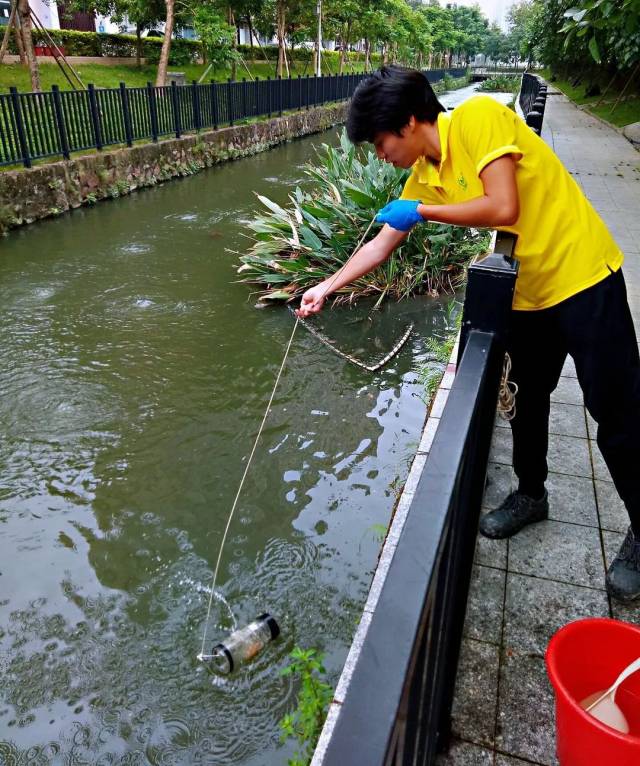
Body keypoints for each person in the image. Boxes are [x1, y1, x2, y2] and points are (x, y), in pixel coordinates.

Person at [296, 66, 640, 602]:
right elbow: (381, 244)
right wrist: (327, 286)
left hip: (582, 275)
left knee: (617, 413)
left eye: (380, 142)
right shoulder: (424, 174)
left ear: (410, 122)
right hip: (524, 293)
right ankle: (531, 494)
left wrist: (422, 211)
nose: (379, 155)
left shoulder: (478, 117)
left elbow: (504, 206)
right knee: (526, 402)